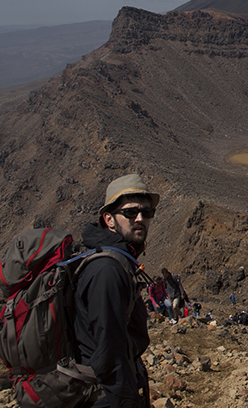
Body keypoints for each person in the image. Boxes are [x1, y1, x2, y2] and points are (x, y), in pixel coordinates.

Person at [74, 174, 158, 408]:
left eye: (147, 212)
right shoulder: (107, 270)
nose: (140, 219)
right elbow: (109, 354)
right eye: (130, 212)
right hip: (103, 397)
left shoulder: (117, 262)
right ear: (109, 219)